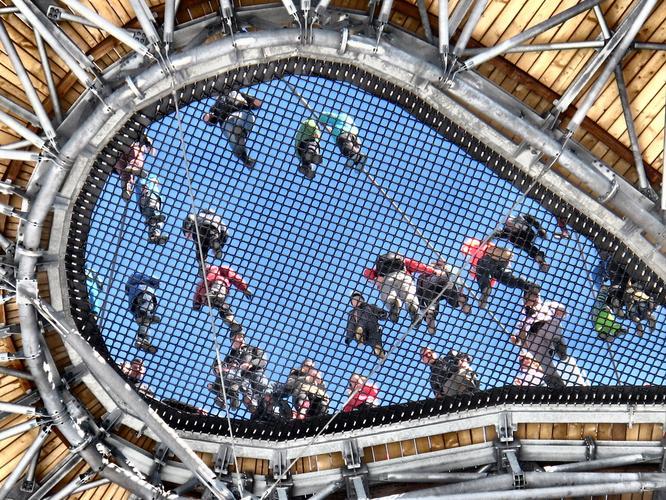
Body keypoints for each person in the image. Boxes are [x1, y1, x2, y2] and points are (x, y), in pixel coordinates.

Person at [510, 289, 570, 388]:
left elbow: (562, 311)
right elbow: (521, 337)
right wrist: (517, 339)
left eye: (535, 294)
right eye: (530, 296)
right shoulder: (524, 319)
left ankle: (560, 348)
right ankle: (557, 385)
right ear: (525, 301)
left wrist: (560, 311)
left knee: (553, 332)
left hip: (547, 324)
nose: (534, 297)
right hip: (533, 337)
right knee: (544, 362)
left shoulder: (547, 305)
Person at [363, 252, 440, 327]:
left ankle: (393, 303)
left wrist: (376, 278)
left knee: (389, 295)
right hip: (404, 276)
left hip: (386, 279)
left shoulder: (379, 269)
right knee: (409, 294)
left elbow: (366, 273)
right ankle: (412, 306)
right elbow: (417, 266)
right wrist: (433, 271)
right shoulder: (403, 260)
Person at [461, 238, 538, 309]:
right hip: (499, 262)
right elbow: (491, 279)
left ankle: (484, 289)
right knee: (506, 279)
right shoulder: (474, 267)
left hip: (493, 255)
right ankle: (528, 286)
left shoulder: (472, 253)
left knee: (482, 265)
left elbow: (471, 246)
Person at [208, 333, 269, 410]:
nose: (237, 340)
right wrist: (219, 369)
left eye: (240, 337)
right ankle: (225, 396)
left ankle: (254, 401)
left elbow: (263, 361)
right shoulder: (230, 357)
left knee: (260, 385)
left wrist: (250, 364)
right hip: (238, 376)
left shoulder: (253, 349)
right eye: (234, 339)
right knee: (228, 378)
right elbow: (224, 368)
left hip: (254, 373)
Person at [203, 90, 262, 169]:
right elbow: (211, 121)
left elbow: (255, 104)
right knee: (232, 137)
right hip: (227, 121)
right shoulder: (215, 106)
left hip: (243, 114)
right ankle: (244, 157)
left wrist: (254, 101)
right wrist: (208, 117)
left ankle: (240, 133)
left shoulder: (241, 94)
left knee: (240, 120)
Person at [193, 264, 252, 337]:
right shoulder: (201, 284)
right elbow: (197, 295)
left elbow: (234, 277)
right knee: (222, 308)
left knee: (219, 283)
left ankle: (232, 322)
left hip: (219, 289)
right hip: (208, 298)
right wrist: (196, 304)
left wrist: (244, 288)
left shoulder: (218, 269)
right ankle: (231, 322)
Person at [416, 260, 471, 335]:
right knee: (446, 294)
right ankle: (459, 300)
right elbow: (419, 291)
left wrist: (422, 307)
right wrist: (459, 289)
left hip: (436, 286)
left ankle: (431, 313)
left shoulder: (425, 274)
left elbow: (419, 292)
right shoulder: (425, 274)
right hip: (437, 285)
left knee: (434, 299)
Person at [345, 291, 388, 359]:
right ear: (352, 304)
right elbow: (351, 325)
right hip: (363, 330)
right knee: (360, 317)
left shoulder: (370, 306)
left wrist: (382, 314)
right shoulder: (353, 313)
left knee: (376, 340)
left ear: (362, 300)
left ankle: (379, 352)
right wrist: (348, 337)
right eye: (354, 300)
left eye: (358, 299)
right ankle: (359, 335)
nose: (357, 301)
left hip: (373, 328)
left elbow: (379, 311)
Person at [125, 273, 161, 353]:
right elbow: (156, 281)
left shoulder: (130, 287)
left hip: (134, 303)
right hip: (144, 292)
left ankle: (142, 339)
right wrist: (152, 281)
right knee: (147, 306)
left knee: (144, 323)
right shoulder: (140, 280)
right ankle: (146, 317)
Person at [113, 134, 156, 201]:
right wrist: (148, 145)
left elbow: (151, 150)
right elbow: (152, 150)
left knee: (124, 172)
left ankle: (126, 187)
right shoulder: (140, 143)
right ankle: (133, 168)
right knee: (137, 158)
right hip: (130, 147)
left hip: (117, 157)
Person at [134, 173, 168, 245]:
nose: (157, 182)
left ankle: (154, 235)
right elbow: (143, 184)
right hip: (149, 197)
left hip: (144, 205)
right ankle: (154, 230)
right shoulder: (147, 180)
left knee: (153, 220)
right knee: (154, 211)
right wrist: (145, 191)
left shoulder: (143, 183)